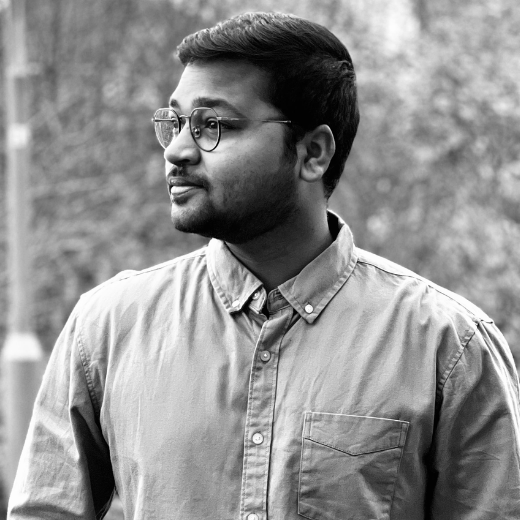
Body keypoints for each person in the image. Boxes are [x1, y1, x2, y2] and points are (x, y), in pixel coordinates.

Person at [8, 11, 520, 520]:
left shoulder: (447, 346)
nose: (178, 151)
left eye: (213, 125)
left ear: (313, 153)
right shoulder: (108, 329)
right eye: (175, 124)